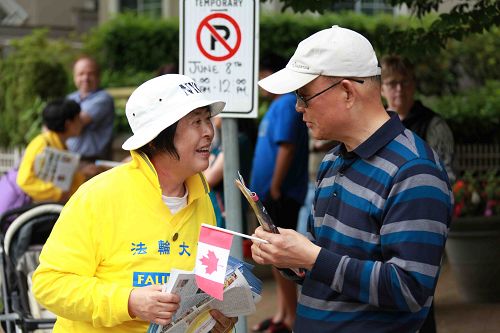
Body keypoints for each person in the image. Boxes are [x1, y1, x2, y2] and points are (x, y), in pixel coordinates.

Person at [251, 25, 453, 333]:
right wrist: (291, 257)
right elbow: (326, 263)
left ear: (347, 92)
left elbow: (410, 289)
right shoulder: (332, 161)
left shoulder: (413, 170)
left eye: (304, 95)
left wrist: (313, 257)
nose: (297, 107)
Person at [32, 74, 237, 333]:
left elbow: (210, 288)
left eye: (207, 119)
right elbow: (49, 284)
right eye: (196, 121)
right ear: (154, 137)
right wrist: (127, 302)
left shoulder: (204, 200)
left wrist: (218, 324)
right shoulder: (98, 195)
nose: (209, 131)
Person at [250, 54, 309, 333]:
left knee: (281, 253)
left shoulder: (286, 102)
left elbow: (286, 147)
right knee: (273, 254)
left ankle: (291, 318)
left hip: (280, 194)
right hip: (269, 194)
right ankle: (283, 313)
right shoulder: (276, 105)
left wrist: (275, 187)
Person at [381, 54, 455, 183]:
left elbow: (447, 173)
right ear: (381, 89)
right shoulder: (373, 124)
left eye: (405, 81)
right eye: (392, 83)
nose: (399, 89)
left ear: (414, 84)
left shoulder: (434, 125)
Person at [16, 99, 97, 204]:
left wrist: (82, 173)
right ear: (68, 124)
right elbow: (24, 181)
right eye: (78, 119)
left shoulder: (58, 144)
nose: (81, 123)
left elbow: (62, 180)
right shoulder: (42, 144)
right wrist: (57, 192)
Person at [66, 55, 115, 160]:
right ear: (74, 77)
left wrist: (54, 123)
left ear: (98, 77)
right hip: (70, 157)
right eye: (81, 74)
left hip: (94, 161)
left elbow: (77, 123)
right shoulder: (70, 98)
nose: (85, 78)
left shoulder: (103, 99)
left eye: (90, 74)